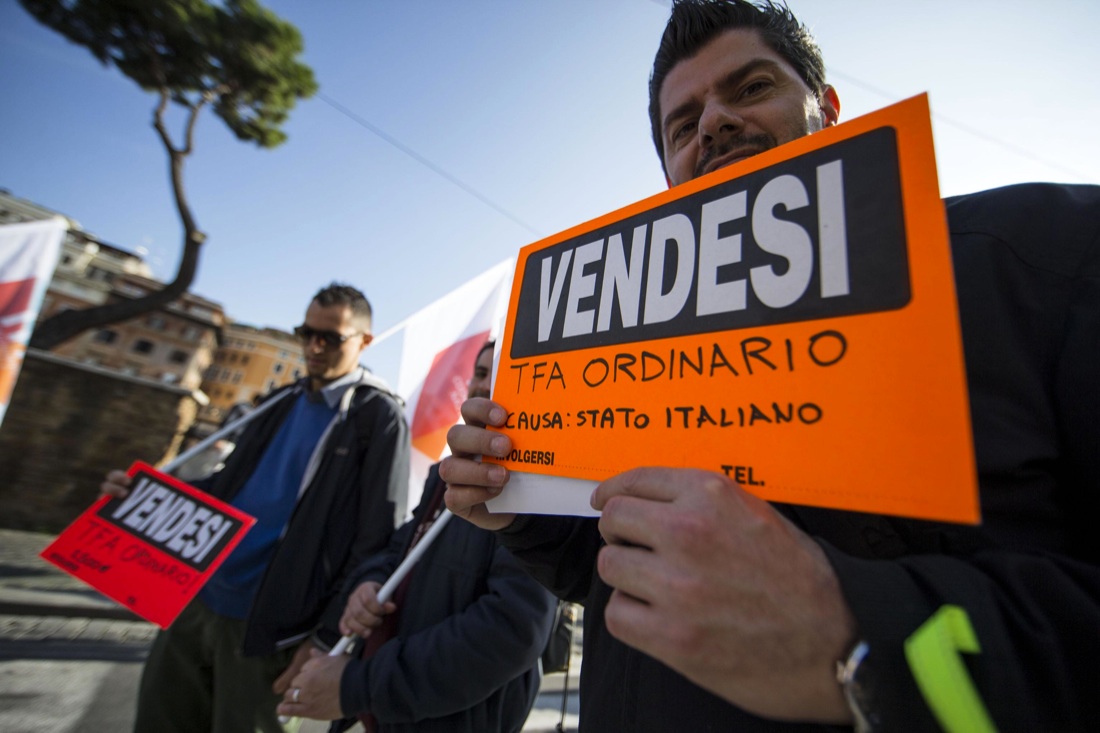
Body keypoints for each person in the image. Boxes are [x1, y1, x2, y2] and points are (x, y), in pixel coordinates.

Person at [440, 1, 1100, 731]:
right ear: (669, 175)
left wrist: (858, 633)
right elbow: (609, 570)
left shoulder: (1049, 256)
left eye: (751, 88)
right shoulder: (624, 347)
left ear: (831, 110)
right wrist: (516, 500)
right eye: (683, 125)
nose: (715, 123)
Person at [102, 282, 411, 733]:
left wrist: (326, 640)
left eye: (330, 337)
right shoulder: (278, 401)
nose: (314, 347)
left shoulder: (378, 416)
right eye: (306, 333)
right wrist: (145, 493)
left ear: (364, 342)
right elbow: (225, 487)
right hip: (196, 600)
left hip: (274, 630)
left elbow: (374, 538)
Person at [275, 340, 557, 733]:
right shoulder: (445, 475)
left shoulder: (539, 490)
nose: (484, 385)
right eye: (479, 373)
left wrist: (358, 686)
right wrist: (369, 583)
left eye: (503, 374)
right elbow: (400, 548)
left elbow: (513, 631)